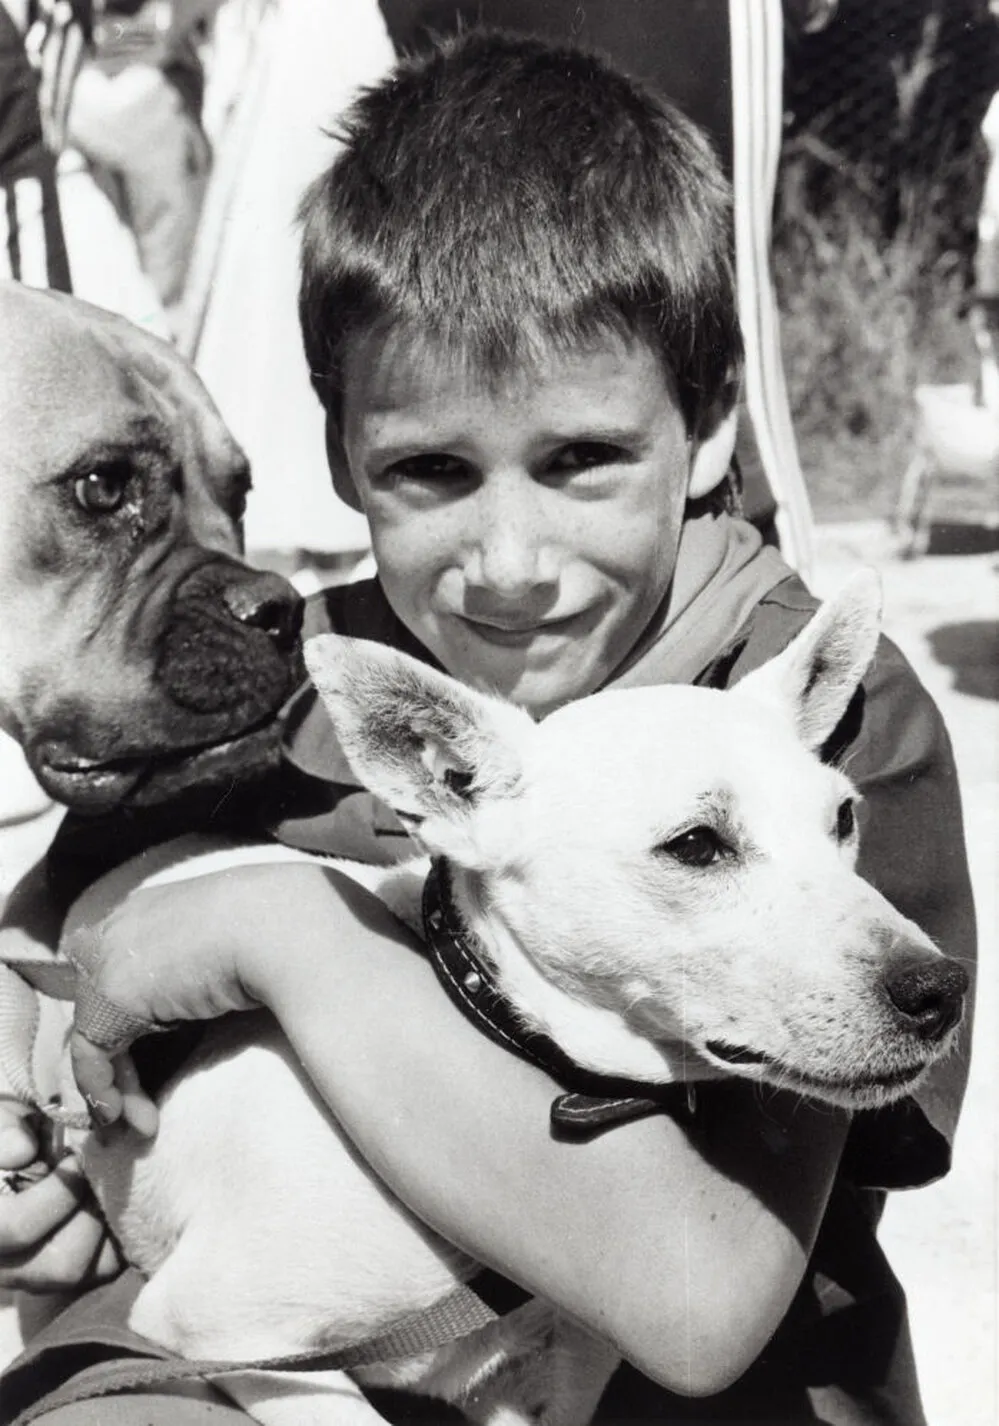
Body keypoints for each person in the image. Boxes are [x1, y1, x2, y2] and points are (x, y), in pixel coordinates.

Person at [0, 29, 976, 1425]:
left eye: (579, 459)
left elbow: (694, 1303)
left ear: (707, 426)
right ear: (344, 461)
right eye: (431, 471)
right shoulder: (310, 678)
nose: (509, 561)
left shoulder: (807, 729)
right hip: (263, 1335)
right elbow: (40, 950)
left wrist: (280, 932)